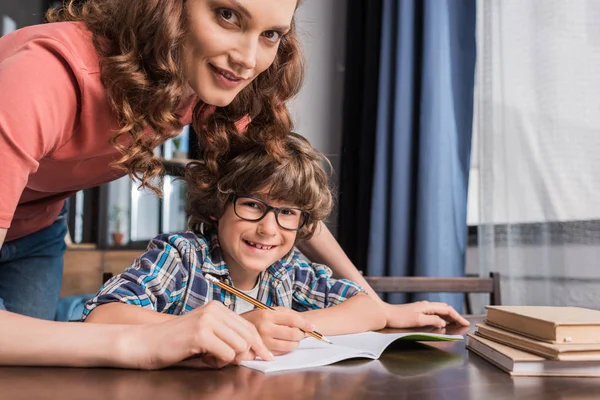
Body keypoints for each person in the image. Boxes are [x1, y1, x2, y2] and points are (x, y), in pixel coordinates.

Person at [0, 0, 466, 369]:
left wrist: (376, 304)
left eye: (270, 34)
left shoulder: (204, 85)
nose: (247, 59)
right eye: (227, 15)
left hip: (37, 225)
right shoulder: (42, 78)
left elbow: (287, 201)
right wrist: (147, 341)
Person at [83, 133, 387, 355]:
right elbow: (103, 317)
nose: (269, 229)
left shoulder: (287, 268)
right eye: (253, 205)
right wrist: (244, 326)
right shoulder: (183, 257)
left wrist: (293, 323)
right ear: (218, 205)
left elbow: (369, 310)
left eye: (288, 213)